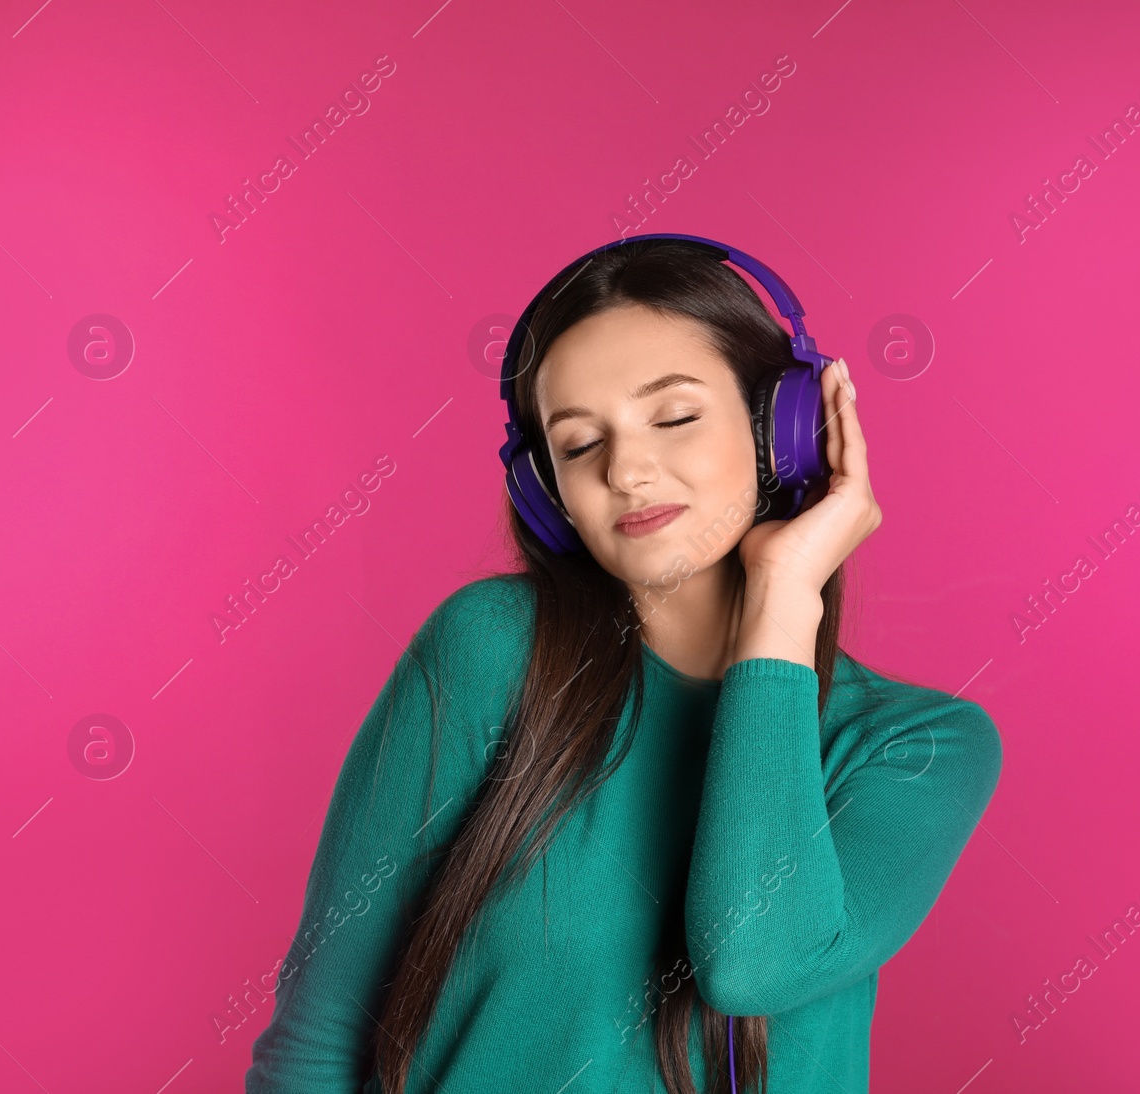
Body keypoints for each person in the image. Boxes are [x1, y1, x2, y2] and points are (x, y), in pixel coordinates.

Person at [245, 238, 1004, 1093]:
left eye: (674, 417)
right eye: (578, 445)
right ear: (546, 489)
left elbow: (750, 965)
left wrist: (783, 596)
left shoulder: (919, 747)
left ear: (783, 431)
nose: (629, 472)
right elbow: (318, 1039)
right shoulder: (493, 649)